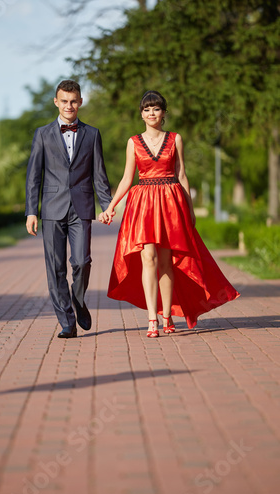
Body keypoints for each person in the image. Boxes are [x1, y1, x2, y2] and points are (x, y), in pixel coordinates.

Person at [99, 90, 239, 337]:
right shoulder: (132, 142)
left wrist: (190, 209)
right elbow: (125, 179)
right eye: (146, 109)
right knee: (148, 258)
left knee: (166, 262)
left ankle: (167, 316)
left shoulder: (175, 139)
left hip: (170, 203)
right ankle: (152, 319)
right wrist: (110, 207)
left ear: (163, 113)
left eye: (155, 109)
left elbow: (182, 175)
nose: (151, 113)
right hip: (143, 203)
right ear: (141, 114)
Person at [26, 80, 112, 338]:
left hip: (82, 208)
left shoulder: (92, 134)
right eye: (64, 101)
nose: (69, 105)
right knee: (56, 268)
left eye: (73, 101)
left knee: (82, 262)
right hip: (52, 209)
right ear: (56, 102)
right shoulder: (42, 134)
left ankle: (79, 300)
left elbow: (100, 175)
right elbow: (34, 176)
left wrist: (106, 205)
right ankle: (67, 322)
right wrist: (32, 210)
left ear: (80, 102)